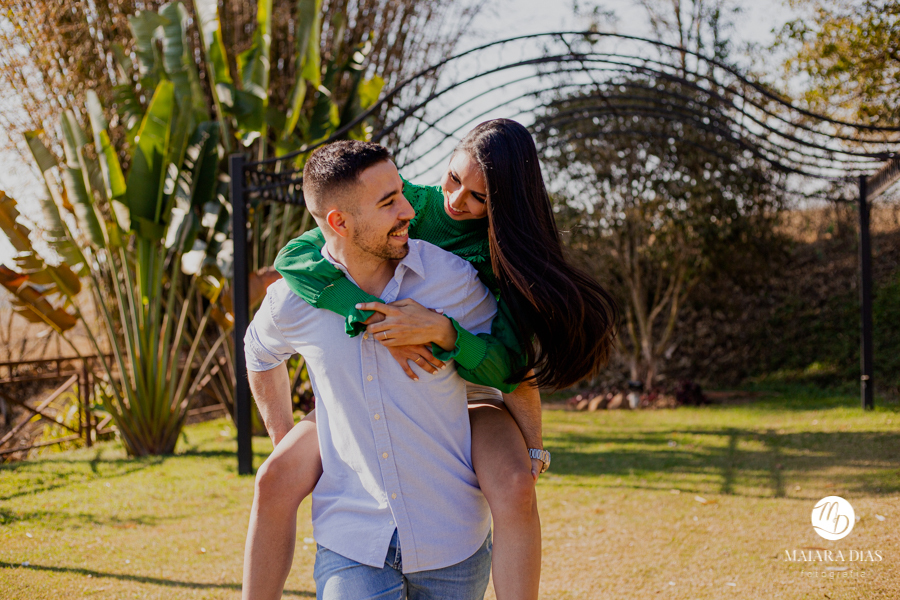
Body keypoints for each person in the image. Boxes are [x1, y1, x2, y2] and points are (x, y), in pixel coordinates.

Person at [244, 120, 618, 600]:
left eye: (478, 197)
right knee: (274, 477)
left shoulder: (491, 261)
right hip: (368, 406)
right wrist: (371, 318)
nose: (456, 200)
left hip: (474, 390)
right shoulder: (417, 204)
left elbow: (511, 367)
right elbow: (297, 256)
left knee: (515, 486)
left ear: (503, 206)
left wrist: (444, 333)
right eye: (453, 179)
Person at [245, 140, 499, 598]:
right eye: (388, 203)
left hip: (453, 538)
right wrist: (285, 442)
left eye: (402, 193)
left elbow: (507, 361)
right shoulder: (290, 301)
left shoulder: (453, 280)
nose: (409, 211)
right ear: (339, 222)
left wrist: (449, 336)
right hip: (352, 541)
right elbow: (259, 353)